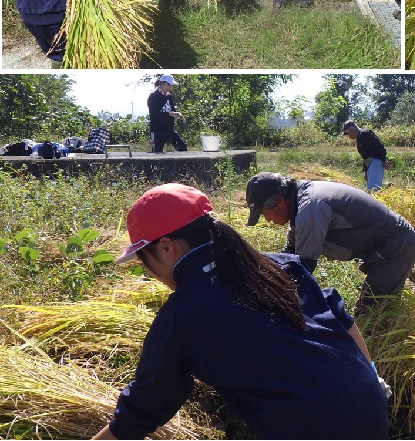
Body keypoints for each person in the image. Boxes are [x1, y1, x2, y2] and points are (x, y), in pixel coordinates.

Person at [91, 183, 390, 440]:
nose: (148, 270)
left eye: (143, 259)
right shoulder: (279, 265)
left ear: (167, 248)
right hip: (370, 407)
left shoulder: (181, 315)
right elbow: (339, 316)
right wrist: (372, 378)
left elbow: (141, 409)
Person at [246, 172, 415, 309]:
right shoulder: (299, 201)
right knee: (372, 309)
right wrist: (263, 275)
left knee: (371, 314)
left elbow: (303, 266)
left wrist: (276, 298)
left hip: (396, 245)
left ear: (279, 201)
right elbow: (290, 252)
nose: (267, 220)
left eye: (264, 214)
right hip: (382, 244)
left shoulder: (310, 208)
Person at [342, 120, 393, 191]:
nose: (348, 136)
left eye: (347, 133)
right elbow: (365, 157)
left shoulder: (365, 134)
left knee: (373, 190)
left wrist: (384, 161)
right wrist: (366, 171)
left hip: (376, 163)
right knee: (371, 189)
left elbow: (379, 147)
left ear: (351, 130)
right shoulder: (359, 138)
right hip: (370, 164)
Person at [147, 74, 187, 153]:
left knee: (182, 147)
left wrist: (176, 114)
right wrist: (169, 114)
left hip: (169, 129)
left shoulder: (169, 96)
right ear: (161, 83)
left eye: (171, 85)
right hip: (157, 130)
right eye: (168, 84)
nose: (170, 87)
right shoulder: (153, 96)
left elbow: (172, 110)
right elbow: (153, 115)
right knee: (157, 152)